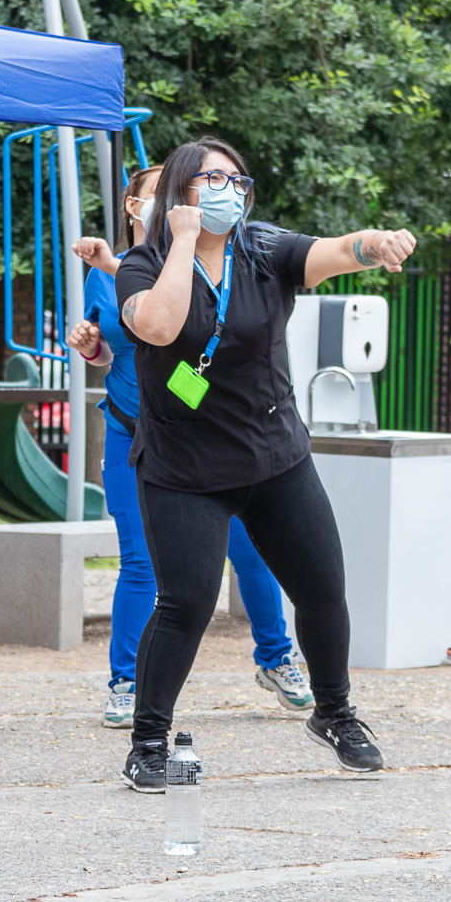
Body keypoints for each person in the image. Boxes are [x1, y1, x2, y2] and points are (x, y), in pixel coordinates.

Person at [113, 136, 409, 790]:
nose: (227, 191)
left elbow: (332, 253)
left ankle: (335, 714)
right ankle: (149, 742)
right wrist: (184, 242)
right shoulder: (141, 264)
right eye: (211, 180)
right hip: (184, 469)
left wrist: (375, 243)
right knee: (184, 605)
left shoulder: (265, 250)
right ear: (178, 193)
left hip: (275, 457)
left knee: (323, 590)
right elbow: (158, 327)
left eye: (237, 181)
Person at [68, 166, 313, 730]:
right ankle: (126, 681)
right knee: (141, 565)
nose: (171, 206)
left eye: (173, 197)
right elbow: (115, 349)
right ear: (133, 206)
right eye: (156, 199)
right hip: (138, 437)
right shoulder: (112, 275)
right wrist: (91, 347)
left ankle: (277, 659)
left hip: (219, 437)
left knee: (252, 554)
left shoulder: (206, 262)